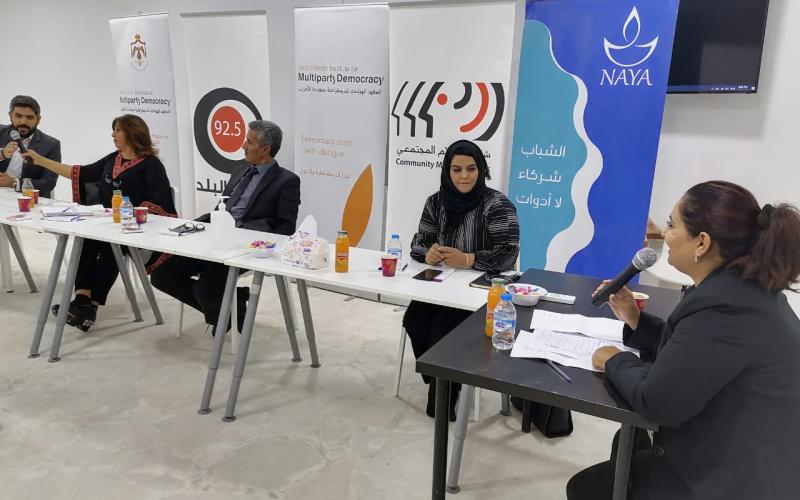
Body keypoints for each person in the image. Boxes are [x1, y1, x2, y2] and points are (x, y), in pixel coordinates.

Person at [568, 181, 800, 500]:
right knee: (627, 442)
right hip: (738, 445)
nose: (664, 234)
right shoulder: (740, 289)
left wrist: (614, 360)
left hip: (738, 478)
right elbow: (693, 354)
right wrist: (636, 319)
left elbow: (657, 402)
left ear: (701, 242)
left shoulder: (726, 308)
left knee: (586, 488)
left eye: (671, 224)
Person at [22, 114, 177, 332]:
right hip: (108, 224)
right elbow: (79, 173)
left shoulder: (151, 164)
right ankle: (82, 302)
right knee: (85, 241)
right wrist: (40, 160)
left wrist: (130, 214)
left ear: (133, 132)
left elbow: (160, 202)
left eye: (118, 130)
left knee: (112, 248)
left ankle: (88, 307)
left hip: (135, 229)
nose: (113, 135)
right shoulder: (113, 159)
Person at [404, 139, 520, 420]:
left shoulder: (497, 204)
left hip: (481, 293)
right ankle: (439, 377)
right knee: (414, 320)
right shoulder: (435, 202)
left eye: (471, 169)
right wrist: (428, 253)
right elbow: (419, 241)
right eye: (456, 170)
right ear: (447, 171)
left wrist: (468, 259)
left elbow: (508, 253)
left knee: (443, 330)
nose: (464, 176)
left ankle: (443, 401)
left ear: (481, 170)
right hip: (442, 286)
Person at [150, 120, 300, 334]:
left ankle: (222, 311)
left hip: (244, 248)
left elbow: (286, 228)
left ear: (265, 149)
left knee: (206, 290)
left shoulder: (286, 181)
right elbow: (222, 208)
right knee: (161, 276)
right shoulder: (240, 169)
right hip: (215, 238)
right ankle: (230, 307)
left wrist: (245, 236)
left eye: (249, 142)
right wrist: (198, 227)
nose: (243, 146)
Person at [0, 95, 61, 197]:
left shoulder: (51, 144)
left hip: (27, 199)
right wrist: (2, 154)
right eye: (18, 116)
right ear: (10, 115)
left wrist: (14, 182)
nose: (23, 122)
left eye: (29, 117)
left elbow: (48, 183)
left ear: (38, 119)